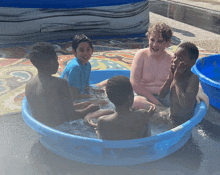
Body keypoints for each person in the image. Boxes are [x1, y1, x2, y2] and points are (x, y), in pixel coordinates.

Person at [130, 22, 209, 111]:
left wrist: (199, 91)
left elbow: (190, 76)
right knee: (135, 102)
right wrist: (157, 103)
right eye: (152, 40)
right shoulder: (141, 55)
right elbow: (135, 84)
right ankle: (163, 111)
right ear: (148, 39)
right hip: (143, 96)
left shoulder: (173, 59)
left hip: (165, 97)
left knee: (186, 103)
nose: (155, 44)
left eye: (159, 41)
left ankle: (162, 112)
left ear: (168, 43)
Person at [25, 42, 100, 128]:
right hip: (61, 130)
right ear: (52, 62)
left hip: (41, 128)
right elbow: (71, 116)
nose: (57, 63)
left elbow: (52, 107)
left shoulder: (29, 84)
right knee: (103, 114)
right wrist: (89, 109)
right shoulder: (60, 84)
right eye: (56, 60)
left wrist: (84, 104)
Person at [84, 75, 155, 140]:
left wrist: (98, 130)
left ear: (109, 98)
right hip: (140, 153)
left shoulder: (103, 122)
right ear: (131, 96)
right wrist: (147, 117)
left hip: (116, 154)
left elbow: (104, 148)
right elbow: (147, 139)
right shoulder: (143, 115)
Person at [159, 42, 200, 125]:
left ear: (192, 62)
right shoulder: (175, 74)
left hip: (183, 122)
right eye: (175, 57)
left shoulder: (193, 79)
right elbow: (161, 95)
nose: (174, 60)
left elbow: (186, 104)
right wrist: (170, 78)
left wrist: (177, 81)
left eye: (180, 59)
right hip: (172, 116)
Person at [60, 34, 103, 100]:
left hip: (76, 94)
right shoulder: (75, 67)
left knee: (107, 83)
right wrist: (96, 97)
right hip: (64, 98)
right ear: (74, 52)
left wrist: (97, 92)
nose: (85, 53)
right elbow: (74, 96)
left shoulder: (87, 65)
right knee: (104, 102)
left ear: (92, 51)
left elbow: (85, 87)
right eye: (81, 50)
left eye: (88, 50)